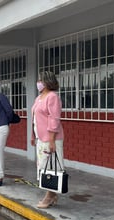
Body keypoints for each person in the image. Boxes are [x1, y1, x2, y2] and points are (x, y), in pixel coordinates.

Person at [31, 71, 64, 209]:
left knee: (51, 167)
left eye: (40, 80)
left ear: (46, 82)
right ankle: (51, 194)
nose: (38, 82)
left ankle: (50, 195)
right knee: (43, 167)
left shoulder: (52, 97)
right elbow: (35, 119)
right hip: (40, 138)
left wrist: (51, 140)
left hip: (51, 138)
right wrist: (33, 135)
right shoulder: (39, 98)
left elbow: (54, 119)